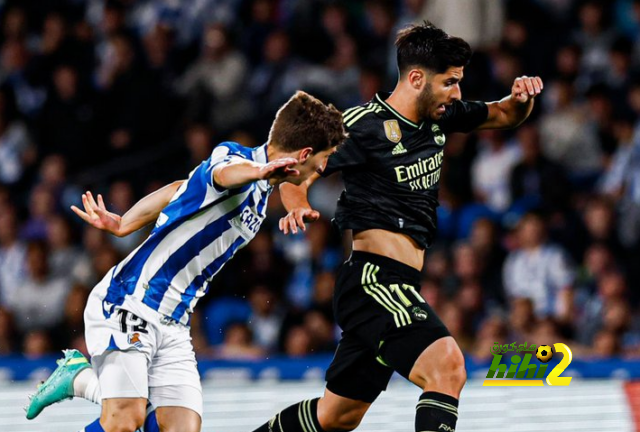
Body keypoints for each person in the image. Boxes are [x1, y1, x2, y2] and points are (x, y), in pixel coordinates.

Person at [255, 22, 543, 432]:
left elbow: (503, 114)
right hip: (373, 281)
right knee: (447, 367)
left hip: (400, 284)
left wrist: (522, 98)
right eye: (450, 83)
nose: (457, 93)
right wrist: (297, 205)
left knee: (337, 417)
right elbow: (296, 171)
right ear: (415, 78)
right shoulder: (363, 125)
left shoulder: (440, 117)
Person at [24, 90, 347, 432]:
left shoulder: (263, 191)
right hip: (131, 300)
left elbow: (180, 187)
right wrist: (259, 172)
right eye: (322, 160)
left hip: (174, 322)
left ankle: (79, 379)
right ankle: (80, 380)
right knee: (123, 422)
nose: (323, 169)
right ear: (306, 154)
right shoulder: (233, 157)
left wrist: (125, 223)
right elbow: (225, 174)